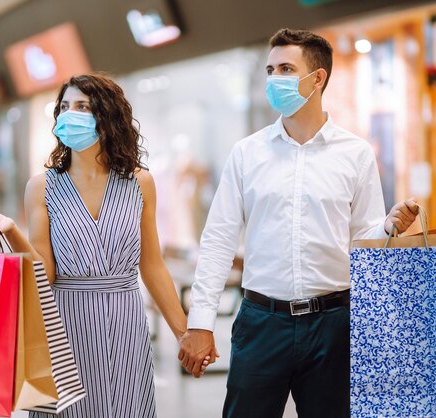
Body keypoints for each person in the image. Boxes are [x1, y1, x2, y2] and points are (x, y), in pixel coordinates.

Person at [177, 29, 419, 417]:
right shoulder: (247, 154)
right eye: (270, 69)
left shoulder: (355, 154)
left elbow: (362, 241)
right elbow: (219, 240)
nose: (274, 79)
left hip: (334, 325)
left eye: (286, 68)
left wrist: (388, 227)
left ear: (318, 78)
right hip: (261, 322)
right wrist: (200, 323)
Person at [0, 74, 208, 418]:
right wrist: (12, 231)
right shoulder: (42, 187)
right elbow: (45, 274)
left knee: (128, 408)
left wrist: (184, 333)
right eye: (65, 107)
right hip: (63, 325)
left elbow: (152, 264)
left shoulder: (139, 182)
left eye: (82, 106)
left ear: (106, 116)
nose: (71, 114)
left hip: (126, 323)